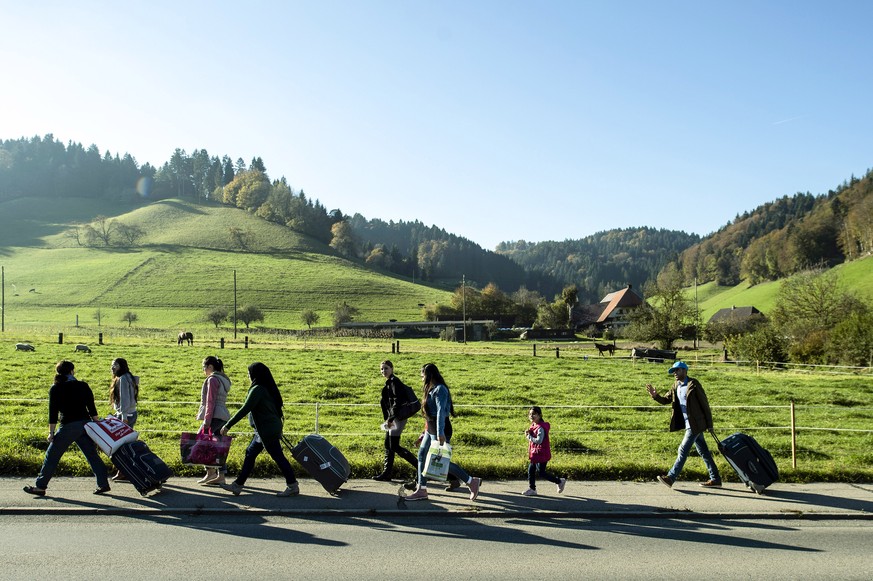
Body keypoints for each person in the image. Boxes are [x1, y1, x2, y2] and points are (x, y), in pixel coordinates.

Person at [23, 360, 111, 497]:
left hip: (68, 426)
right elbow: (92, 409)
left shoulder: (56, 388)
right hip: (86, 425)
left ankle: (40, 486)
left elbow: (53, 413)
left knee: (52, 456)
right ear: (72, 371)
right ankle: (103, 483)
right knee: (92, 455)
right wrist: (98, 426)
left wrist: (51, 433)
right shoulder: (83, 385)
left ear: (58, 372)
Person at [404, 363, 482, 502]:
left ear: (430, 375)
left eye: (423, 375)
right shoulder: (431, 388)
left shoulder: (440, 389)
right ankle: (421, 489)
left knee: (441, 460)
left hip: (441, 428)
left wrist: (440, 433)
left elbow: (441, 413)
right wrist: (424, 433)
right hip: (431, 428)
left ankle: (471, 481)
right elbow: (429, 413)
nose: (421, 378)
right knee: (422, 455)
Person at [219, 362, 300, 497]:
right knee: (250, 454)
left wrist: (228, 425)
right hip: (266, 429)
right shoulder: (265, 387)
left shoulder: (258, 389)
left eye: (249, 373)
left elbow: (245, 408)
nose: (248, 376)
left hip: (266, 430)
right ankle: (237, 486)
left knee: (277, 457)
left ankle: (292, 486)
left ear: (254, 374)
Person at [646, 361, 722, 488]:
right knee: (704, 452)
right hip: (688, 423)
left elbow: (705, 404)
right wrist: (655, 396)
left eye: (677, 370)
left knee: (682, 449)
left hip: (696, 424)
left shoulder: (694, 384)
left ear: (685, 371)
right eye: (674, 371)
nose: (675, 373)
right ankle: (716, 478)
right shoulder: (676, 385)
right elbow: (666, 400)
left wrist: (710, 424)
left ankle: (671, 477)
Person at [373, 360, 424, 481]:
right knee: (388, 444)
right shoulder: (389, 382)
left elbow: (397, 402)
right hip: (393, 418)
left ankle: (420, 468)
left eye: (386, 368)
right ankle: (387, 473)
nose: (383, 371)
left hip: (397, 418)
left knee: (394, 446)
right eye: (382, 369)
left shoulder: (394, 382)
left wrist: (390, 419)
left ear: (392, 369)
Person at [195, 356, 232, 485]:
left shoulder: (212, 380)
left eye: (204, 367)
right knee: (218, 446)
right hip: (223, 415)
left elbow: (210, 402)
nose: (203, 370)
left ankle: (210, 472)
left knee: (201, 440)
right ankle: (221, 475)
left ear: (210, 367)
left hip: (214, 416)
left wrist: (206, 421)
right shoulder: (222, 380)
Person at [522, 406, 567, 496]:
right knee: (531, 469)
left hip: (542, 453)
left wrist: (529, 437)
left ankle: (559, 481)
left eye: (534, 414)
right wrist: (530, 432)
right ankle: (532, 489)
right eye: (530, 414)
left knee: (541, 472)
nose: (531, 416)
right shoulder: (534, 425)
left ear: (540, 415)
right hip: (535, 453)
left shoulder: (540, 428)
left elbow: (539, 440)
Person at [109, 357, 139, 481]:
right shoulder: (129, 377)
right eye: (111, 365)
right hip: (131, 413)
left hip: (125, 415)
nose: (112, 367)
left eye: (115, 365)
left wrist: (124, 417)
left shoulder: (122, 379)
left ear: (121, 366)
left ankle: (123, 471)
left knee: (119, 445)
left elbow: (125, 399)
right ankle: (124, 470)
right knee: (123, 444)